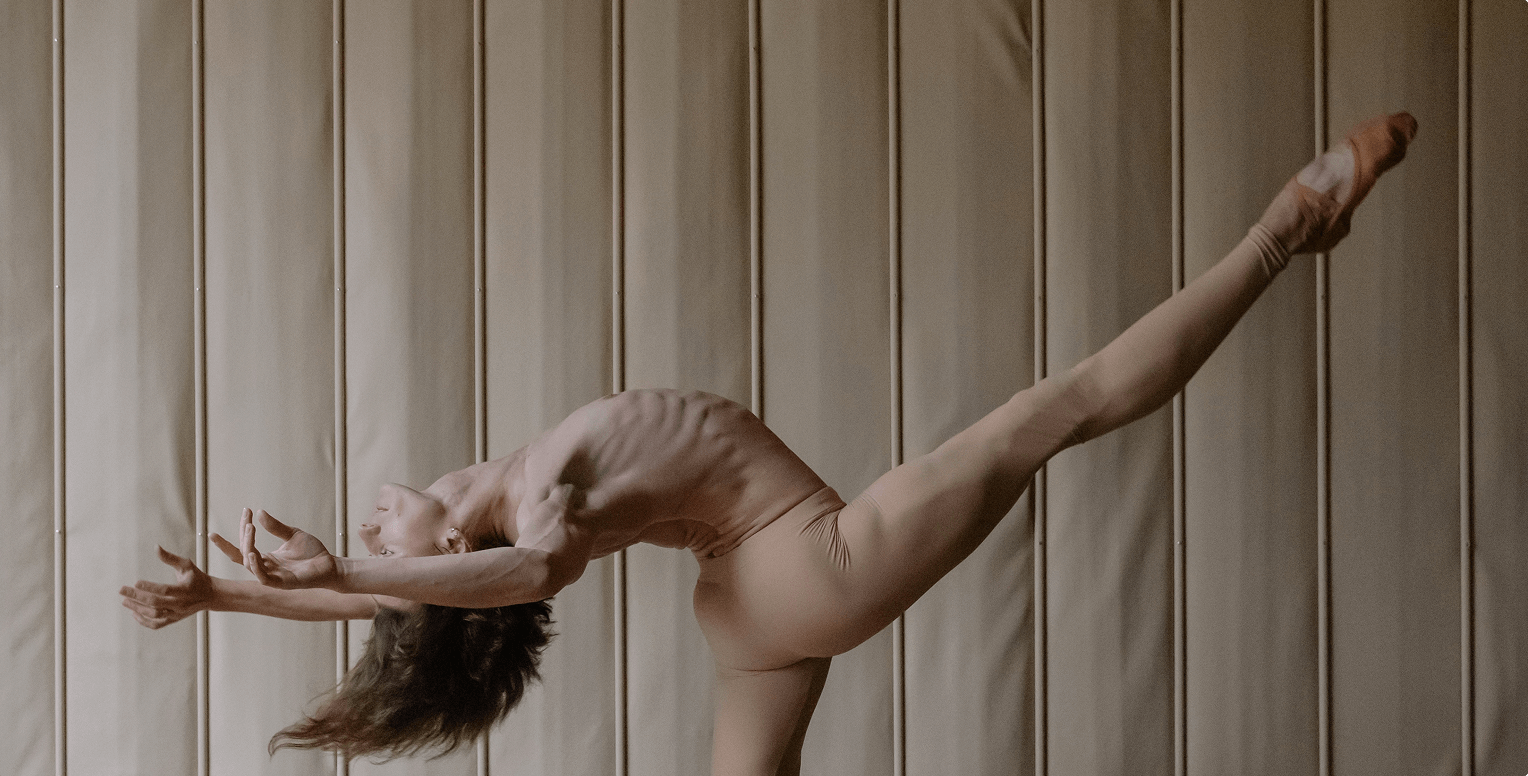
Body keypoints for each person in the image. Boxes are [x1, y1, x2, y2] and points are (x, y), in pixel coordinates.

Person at [122, 112, 1417, 775]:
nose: (367, 525)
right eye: (385, 553)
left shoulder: (489, 505)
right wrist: (350, 575)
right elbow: (499, 581)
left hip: (745, 608)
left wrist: (233, 594)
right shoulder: (534, 518)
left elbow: (423, 595)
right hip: (810, 563)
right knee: (1056, 409)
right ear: (444, 563)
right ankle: (1292, 224)